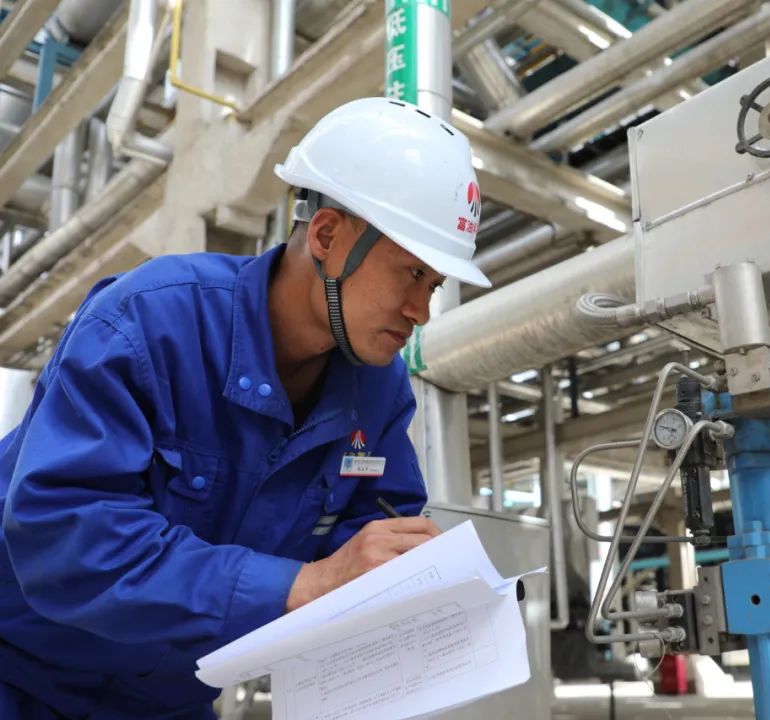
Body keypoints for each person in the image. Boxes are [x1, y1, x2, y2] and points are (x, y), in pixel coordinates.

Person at [0, 97, 491, 719]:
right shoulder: (147, 324)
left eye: (434, 285)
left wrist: (397, 578)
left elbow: (366, 532)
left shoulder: (378, 391)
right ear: (328, 237)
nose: (421, 311)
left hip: (166, 702)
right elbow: (66, 535)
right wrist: (308, 583)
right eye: (411, 274)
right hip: (20, 675)